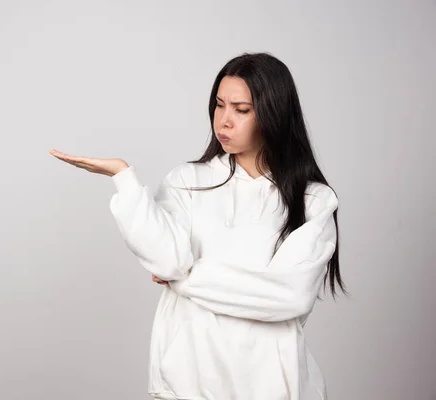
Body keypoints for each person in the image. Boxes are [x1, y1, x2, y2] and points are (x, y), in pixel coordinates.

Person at [49, 52, 347, 400]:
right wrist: (124, 179)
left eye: (242, 109)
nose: (224, 121)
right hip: (188, 382)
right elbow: (165, 260)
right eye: (219, 105)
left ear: (274, 113)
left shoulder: (313, 200)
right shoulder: (187, 181)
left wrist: (185, 277)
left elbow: (289, 297)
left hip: (274, 386)